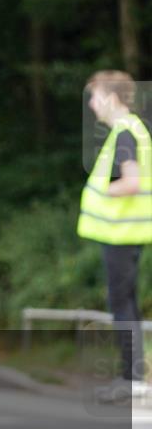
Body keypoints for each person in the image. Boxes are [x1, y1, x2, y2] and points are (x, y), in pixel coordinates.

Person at [78, 70, 152, 397]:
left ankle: (132, 380)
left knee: (121, 305)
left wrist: (106, 192)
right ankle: (135, 377)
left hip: (120, 234)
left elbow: (131, 182)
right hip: (127, 233)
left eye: (94, 97)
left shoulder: (124, 133)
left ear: (111, 98)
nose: (92, 105)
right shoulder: (132, 129)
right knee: (128, 304)